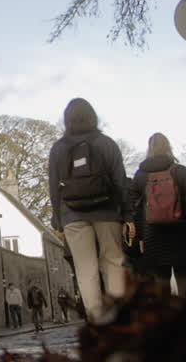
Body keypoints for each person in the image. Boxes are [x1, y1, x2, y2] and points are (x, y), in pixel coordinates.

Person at [48, 97, 131, 323]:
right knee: (113, 262)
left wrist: (58, 220)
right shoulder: (106, 143)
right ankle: (116, 318)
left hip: (72, 214)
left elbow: (54, 186)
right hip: (107, 212)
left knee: (86, 270)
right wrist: (127, 215)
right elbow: (120, 181)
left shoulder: (58, 149)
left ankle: (96, 321)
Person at [128, 133, 186, 295]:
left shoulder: (141, 176)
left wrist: (140, 235)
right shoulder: (179, 171)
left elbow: (133, 206)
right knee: (184, 277)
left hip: (153, 235)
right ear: (169, 147)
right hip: (181, 232)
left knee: (160, 279)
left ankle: (166, 316)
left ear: (149, 149)